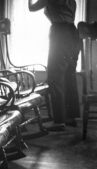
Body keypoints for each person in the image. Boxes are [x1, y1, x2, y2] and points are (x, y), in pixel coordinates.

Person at [28, 0, 80, 131]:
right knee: (69, 76)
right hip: (73, 33)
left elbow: (32, 8)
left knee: (55, 78)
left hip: (60, 34)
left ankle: (59, 122)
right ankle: (70, 117)